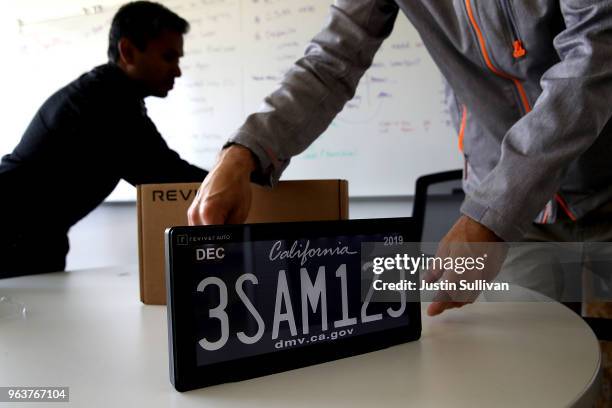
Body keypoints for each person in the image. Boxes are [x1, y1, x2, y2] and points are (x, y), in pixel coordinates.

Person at [187, 1, 612, 316]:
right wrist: (245, 150)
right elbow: (331, 61)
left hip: (571, 186)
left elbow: (594, 59)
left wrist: (493, 212)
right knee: (527, 375)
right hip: (515, 211)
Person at [0, 1, 208, 277]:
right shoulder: (105, 101)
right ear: (128, 52)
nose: (178, 70)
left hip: (28, 238)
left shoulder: (110, 92)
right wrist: (239, 179)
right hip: (12, 239)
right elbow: (164, 174)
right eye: (169, 57)